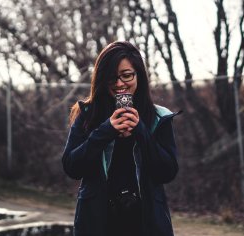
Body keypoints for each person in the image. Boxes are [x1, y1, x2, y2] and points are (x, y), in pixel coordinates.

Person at [62, 41, 180, 236]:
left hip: (145, 223)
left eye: (126, 76)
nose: (119, 84)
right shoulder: (88, 113)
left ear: (139, 76)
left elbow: (167, 172)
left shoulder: (159, 117)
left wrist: (141, 131)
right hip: (98, 224)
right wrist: (105, 131)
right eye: (111, 78)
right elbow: (71, 166)